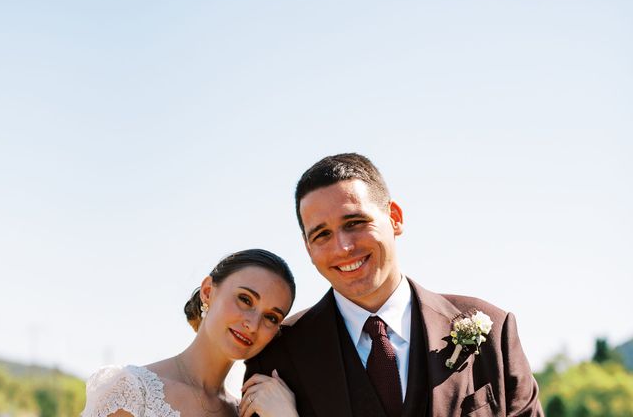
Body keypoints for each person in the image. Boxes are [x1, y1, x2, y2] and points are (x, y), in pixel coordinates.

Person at [243, 154, 543, 416]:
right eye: (321, 234)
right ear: (308, 249)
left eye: (355, 222)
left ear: (395, 218)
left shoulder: (494, 331)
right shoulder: (277, 357)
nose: (343, 247)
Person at [82, 249, 299, 417]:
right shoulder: (132, 392)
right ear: (207, 292)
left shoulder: (249, 412)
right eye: (245, 299)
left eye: (271, 318)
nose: (253, 325)